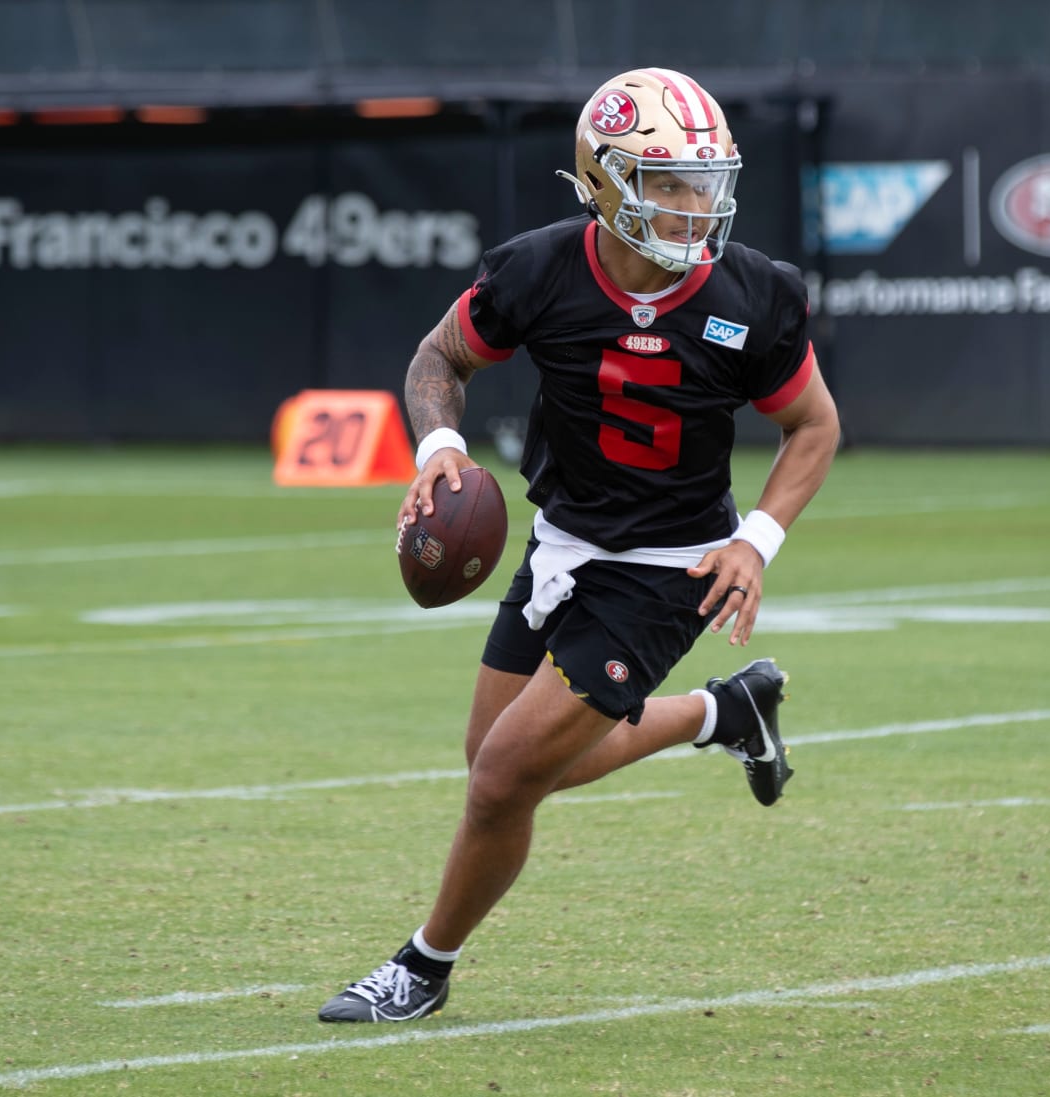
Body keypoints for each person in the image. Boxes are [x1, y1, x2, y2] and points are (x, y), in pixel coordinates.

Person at [318, 67, 841, 1024]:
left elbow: (814, 426)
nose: (694, 207)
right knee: (500, 760)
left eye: (705, 181)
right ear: (602, 183)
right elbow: (440, 355)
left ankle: (421, 969)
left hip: (670, 568)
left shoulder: (752, 294)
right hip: (561, 540)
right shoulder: (540, 270)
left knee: (503, 778)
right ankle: (723, 714)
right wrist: (439, 445)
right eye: (667, 183)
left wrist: (755, 541)